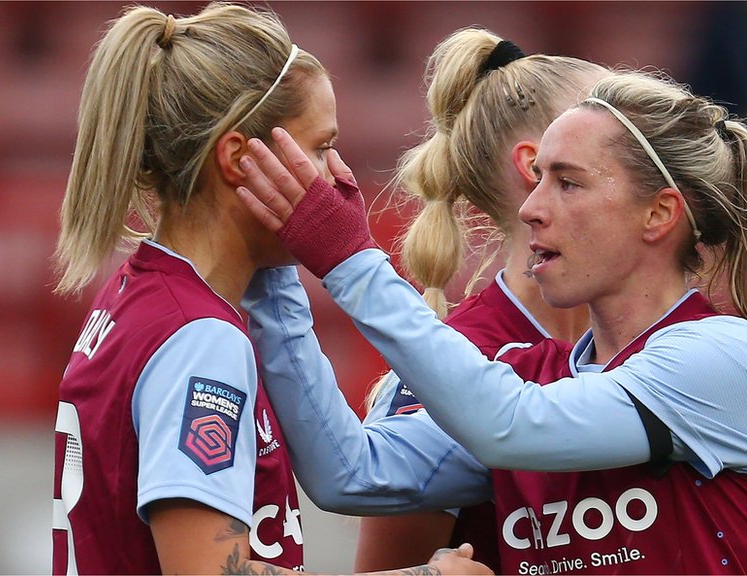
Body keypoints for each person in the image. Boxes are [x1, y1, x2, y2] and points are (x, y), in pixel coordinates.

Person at [235, 68, 747, 574]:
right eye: (537, 180)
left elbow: (508, 425)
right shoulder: (519, 370)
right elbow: (351, 475)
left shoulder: (722, 358)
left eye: (568, 183)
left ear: (659, 214)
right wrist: (275, 268)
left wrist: (351, 261)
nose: (530, 209)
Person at [50, 3, 491, 575]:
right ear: (237, 158)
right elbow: (206, 572)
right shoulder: (201, 338)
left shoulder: (139, 295)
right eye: (320, 147)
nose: (337, 175)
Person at [354, 29, 605, 572]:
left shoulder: (669, 336)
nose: (644, 150)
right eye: (615, 128)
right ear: (538, 165)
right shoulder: (450, 362)